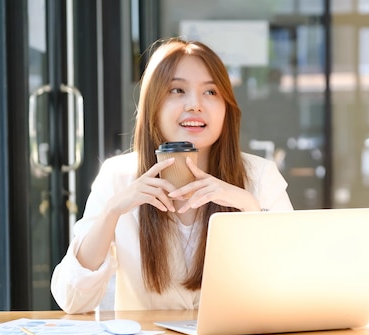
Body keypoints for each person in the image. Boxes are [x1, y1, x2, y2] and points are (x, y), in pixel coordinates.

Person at [51, 38, 293, 314]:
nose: (195, 105)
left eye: (211, 92)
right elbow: (72, 301)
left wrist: (248, 206)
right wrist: (111, 213)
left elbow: (290, 291)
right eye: (177, 90)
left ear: (227, 107)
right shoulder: (117, 177)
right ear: (153, 106)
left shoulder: (260, 177)